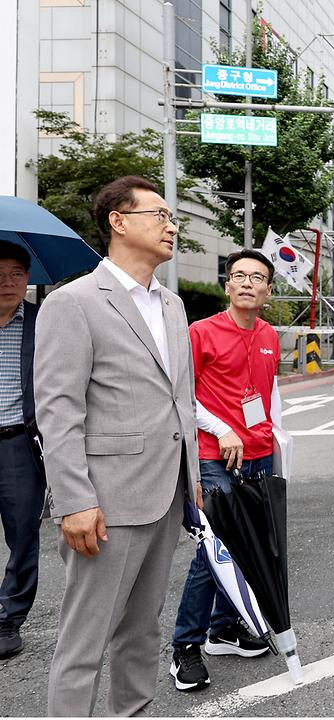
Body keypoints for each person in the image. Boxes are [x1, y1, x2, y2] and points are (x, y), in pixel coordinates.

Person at [35, 175, 200, 716]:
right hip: (105, 502)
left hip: (166, 492)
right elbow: (59, 411)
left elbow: (180, 401)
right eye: (159, 214)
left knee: (142, 632)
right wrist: (74, 501)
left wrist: (192, 482)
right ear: (119, 222)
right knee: (84, 642)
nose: (171, 225)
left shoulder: (172, 306)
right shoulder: (73, 302)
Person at [169, 249, 281, 692]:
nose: (248, 283)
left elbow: (269, 399)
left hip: (259, 455)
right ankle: (185, 647)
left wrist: (278, 447)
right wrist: (222, 429)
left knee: (248, 547)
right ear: (227, 286)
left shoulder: (271, 334)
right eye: (240, 276)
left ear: (268, 290)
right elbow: (181, 396)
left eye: (258, 277)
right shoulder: (201, 333)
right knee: (215, 551)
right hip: (216, 456)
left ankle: (224, 629)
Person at [0, 241, 45, 659]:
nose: (7, 283)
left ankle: (8, 618)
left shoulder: (41, 321)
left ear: (28, 278)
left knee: (23, 535)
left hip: (17, 442)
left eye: (16, 273)